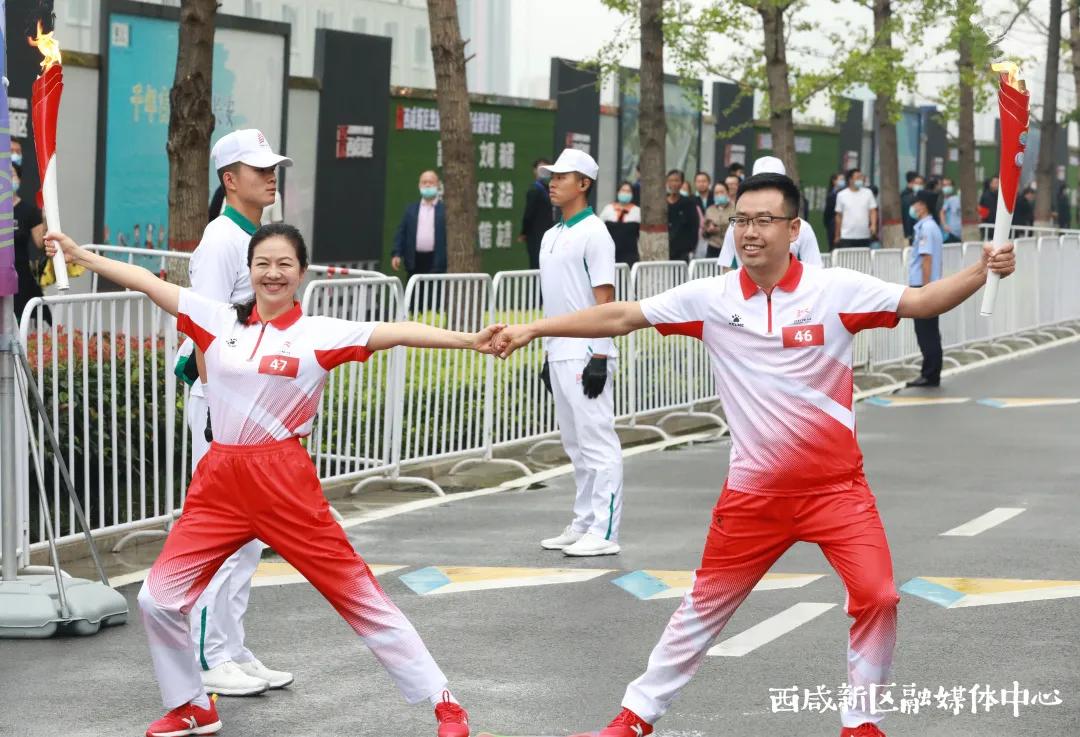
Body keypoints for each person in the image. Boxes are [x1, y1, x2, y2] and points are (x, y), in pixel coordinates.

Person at [492, 172, 1016, 737]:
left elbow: (920, 301)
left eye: (764, 220)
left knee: (879, 596)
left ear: (793, 229)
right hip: (754, 495)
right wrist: (534, 328)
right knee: (703, 610)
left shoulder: (834, 290)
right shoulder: (711, 299)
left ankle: (862, 723)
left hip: (836, 491)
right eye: (741, 220)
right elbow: (621, 317)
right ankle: (633, 717)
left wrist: (982, 269)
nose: (750, 232)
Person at [46, 224, 488, 737]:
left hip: (283, 482)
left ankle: (445, 703)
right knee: (157, 599)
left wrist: (468, 340)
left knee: (357, 593)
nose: (272, 273)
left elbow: (396, 331)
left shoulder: (318, 333)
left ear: (301, 272)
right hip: (220, 482)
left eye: (284, 264)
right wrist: (83, 256)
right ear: (250, 270)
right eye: (263, 263)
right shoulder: (216, 319)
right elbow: (147, 281)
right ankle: (192, 703)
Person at [179, 128, 295, 698]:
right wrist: (215, 408)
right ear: (229, 179)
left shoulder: (259, 237)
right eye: (259, 168)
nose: (271, 176)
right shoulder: (221, 240)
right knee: (221, 535)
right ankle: (206, 657)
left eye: (273, 167)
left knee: (250, 535)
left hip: (251, 410)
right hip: (220, 410)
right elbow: (203, 328)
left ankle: (231, 647)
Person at [536, 148, 624, 557]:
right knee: (574, 443)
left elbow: (604, 301)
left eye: (562, 176)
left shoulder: (596, 234)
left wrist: (601, 357)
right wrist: (547, 353)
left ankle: (604, 531)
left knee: (597, 442)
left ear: (583, 184)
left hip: (588, 352)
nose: (553, 182)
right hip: (559, 351)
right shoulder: (551, 235)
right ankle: (584, 522)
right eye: (551, 176)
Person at [716, 156, 821, 268]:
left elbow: (815, 269)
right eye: (759, 184)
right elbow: (727, 265)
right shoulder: (736, 226)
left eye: (764, 221)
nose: (750, 233)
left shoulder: (803, 229)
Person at [906, 191, 945, 388]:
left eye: (917, 204)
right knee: (930, 331)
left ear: (924, 206)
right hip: (928, 285)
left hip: (924, 285)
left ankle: (929, 374)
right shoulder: (930, 227)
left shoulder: (926, 228)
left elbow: (926, 259)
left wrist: (926, 289)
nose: (914, 207)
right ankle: (931, 372)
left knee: (925, 332)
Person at [11, 163, 51, 325]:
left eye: (12, 174)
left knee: (18, 322)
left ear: (19, 179)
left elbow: (40, 243)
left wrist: (46, 219)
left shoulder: (28, 211)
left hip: (19, 276)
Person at [391, 170, 448, 279]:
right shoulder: (411, 210)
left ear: (438, 185)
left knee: (434, 295)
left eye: (431, 182)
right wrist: (396, 254)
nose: (427, 185)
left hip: (436, 263)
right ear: (419, 185)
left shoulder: (444, 210)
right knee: (414, 295)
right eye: (424, 182)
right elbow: (401, 233)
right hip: (414, 262)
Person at [519, 158, 555, 269]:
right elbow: (528, 214)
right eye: (541, 168)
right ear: (534, 170)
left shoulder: (549, 189)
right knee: (536, 265)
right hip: (535, 236)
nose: (544, 172)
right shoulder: (534, 190)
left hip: (548, 234)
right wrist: (524, 232)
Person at [599, 181, 642, 266]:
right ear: (618, 192)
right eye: (623, 190)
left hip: (630, 255)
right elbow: (599, 230)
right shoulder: (608, 209)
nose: (625, 193)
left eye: (628, 191)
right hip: (609, 254)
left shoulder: (637, 211)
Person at [834, 168, 878, 248]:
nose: (860, 180)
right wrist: (837, 235)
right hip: (846, 236)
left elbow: (873, 211)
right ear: (850, 180)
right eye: (857, 178)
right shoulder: (841, 195)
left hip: (864, 235)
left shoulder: (868, 193)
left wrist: (873, 225)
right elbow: (838, 216)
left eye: (861, 177)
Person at [666, 170, 698, 262]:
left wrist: (691, 249)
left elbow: (694, 227)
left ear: (682, 183)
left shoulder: (689, 203)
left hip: (682, 253)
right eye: (671, 180)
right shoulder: (662, 203)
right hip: (665, 250)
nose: (674, 184)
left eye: (676, 180)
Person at [702, 181, 734, 258]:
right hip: (713, 248)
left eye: (722, 192)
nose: (719, 195)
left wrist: (720, 229)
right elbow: (704, 233)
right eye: (716, 193)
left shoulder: (735, 209)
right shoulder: (709, 210)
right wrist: (708, 230)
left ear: (728, 193)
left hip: (730, 248)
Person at [900, 171, 924, 242]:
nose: (918, 185)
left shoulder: (925, 197)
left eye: (921, 183)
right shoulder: (906, 197)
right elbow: (906, 216)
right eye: (916, 183)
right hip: (911, 231)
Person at [824, 172, 845, 246]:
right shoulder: (831, 195)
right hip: (833, 224)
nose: (843, 181)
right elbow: (827, 213)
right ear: (834, 181)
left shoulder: (845, 193)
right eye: (841, 179)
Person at [939, 178, 962, 243]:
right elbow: (941, 212)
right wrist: (944, 225)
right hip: (941, 233)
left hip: (954, 233)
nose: (947, 187)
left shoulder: (956, 199)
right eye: (944, 185)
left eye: (949, 185)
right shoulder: (938, 200)